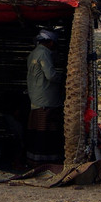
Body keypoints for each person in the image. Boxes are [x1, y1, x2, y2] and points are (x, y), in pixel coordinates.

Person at [26, 29, 64, 164]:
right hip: (46, 98)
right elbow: (50, 75)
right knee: (46, 131)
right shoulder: (44, 53)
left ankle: (34, 159)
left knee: (37, 131)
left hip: (36, 96)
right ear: (50, 42)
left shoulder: (34, 53)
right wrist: (64, 78)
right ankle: (45, 161)